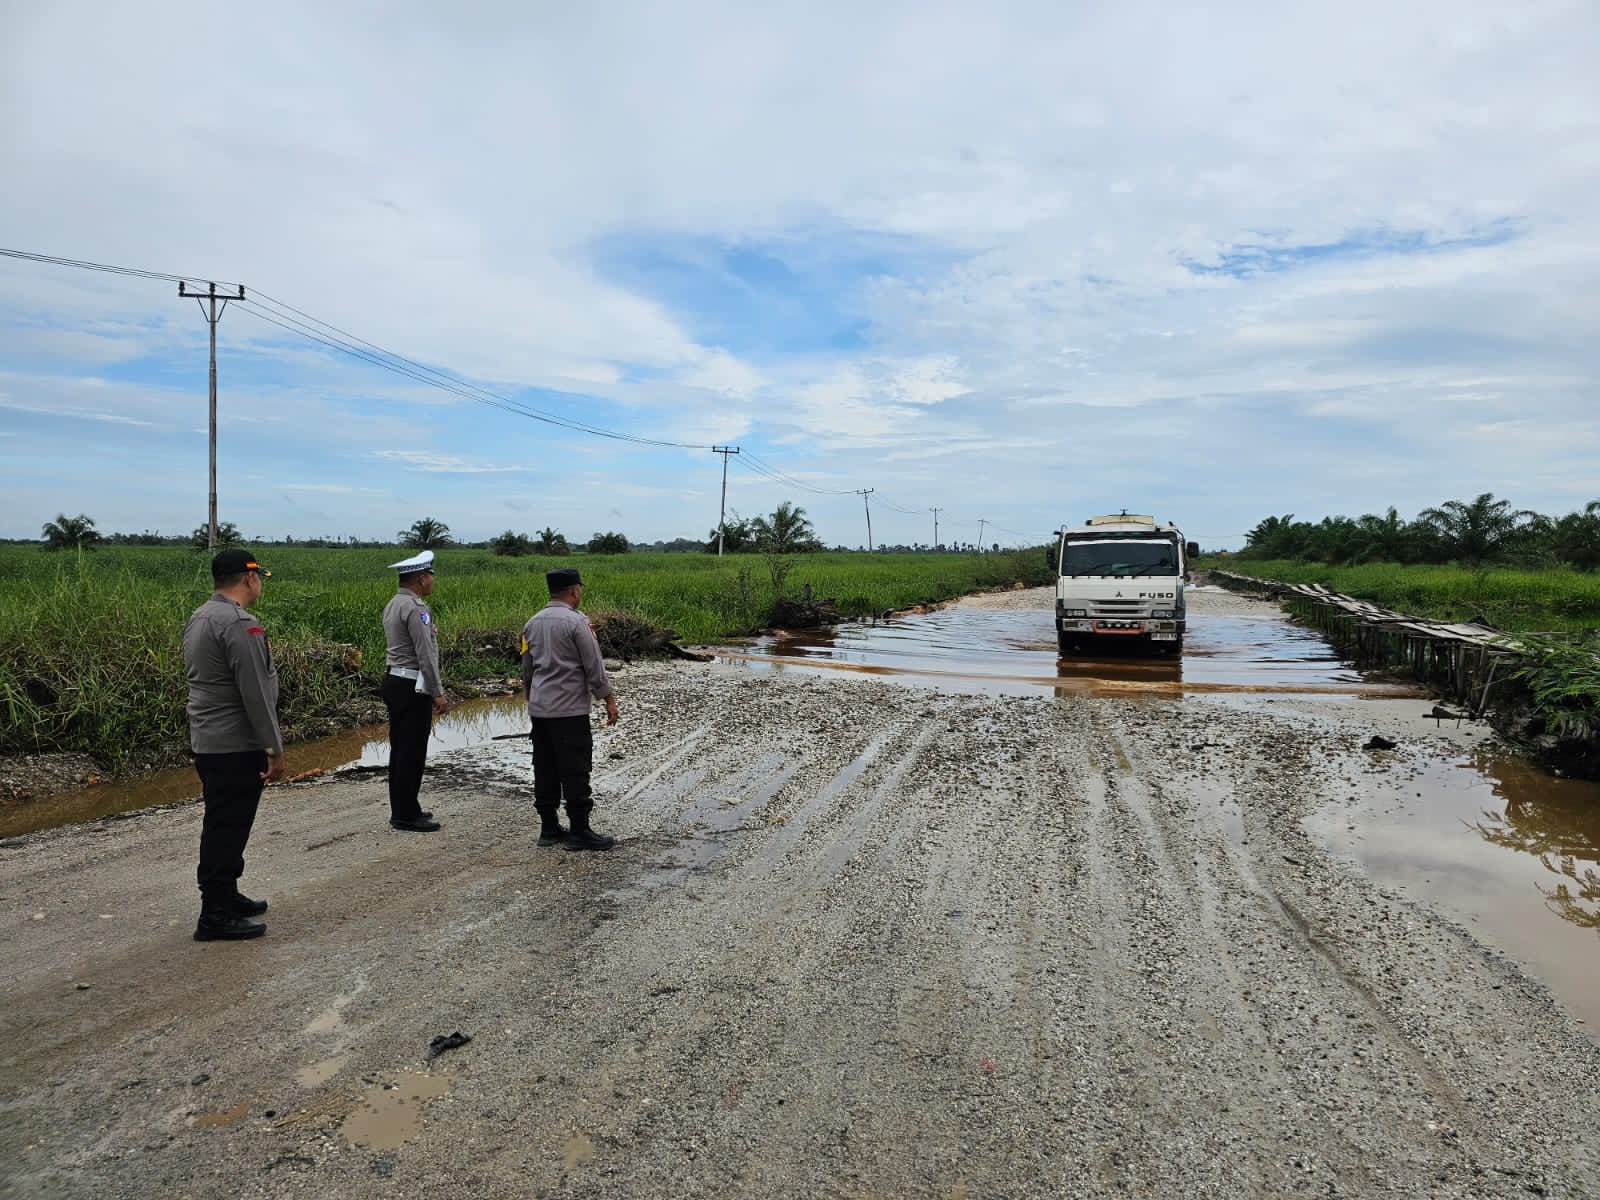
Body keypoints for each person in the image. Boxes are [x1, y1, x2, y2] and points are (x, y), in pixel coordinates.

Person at [182, 548, 285, 941]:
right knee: (227, 827)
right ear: (249, 578)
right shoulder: (240, 624)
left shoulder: (201, 616)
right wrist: (273, 748)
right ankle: (215, 914)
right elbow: (255, 693)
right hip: (235, 743)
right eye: (259, 579)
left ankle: (226, 895)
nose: (259, 586)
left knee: (225, 823)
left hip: (210, 739)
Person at [521, 567, 619, 850]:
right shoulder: (577, 623)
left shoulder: (531, 623)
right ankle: (579, 830)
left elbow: (527, 668)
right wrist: (608, 698)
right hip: (569, 711)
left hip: (541, 710)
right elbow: (593, 666)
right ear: (575, 591)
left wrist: (532, 697)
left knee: (545, 767)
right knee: (575, 769)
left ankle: (549, 828)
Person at [382, 549, 449, 832]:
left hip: (395, 681)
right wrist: (437, 692)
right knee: (412, 751)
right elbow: (425, 655)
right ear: (421, 578)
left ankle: (406, 807)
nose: (433, 581)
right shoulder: (416, 608)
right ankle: (406, 815)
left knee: (400, 748)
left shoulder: (394, 603)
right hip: (412, 686)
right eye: (431, 576)